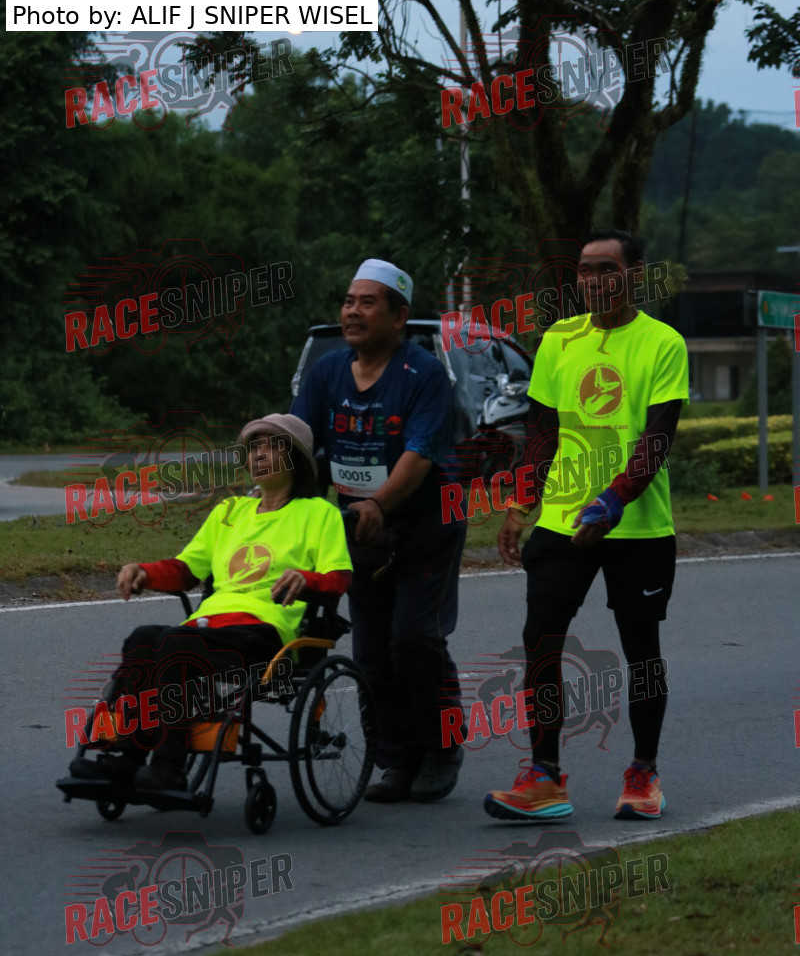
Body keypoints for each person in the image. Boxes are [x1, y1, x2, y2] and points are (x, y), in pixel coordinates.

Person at [484, 229, 688, 823]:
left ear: (635, 275)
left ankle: (643, 773)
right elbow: (541, 433)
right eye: (584, 270)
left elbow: (657, 439)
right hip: (562, 519)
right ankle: (544, 776)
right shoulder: (558, 339)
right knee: (540, 640)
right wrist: (521, 506)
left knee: (640, 650)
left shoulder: (663, 343)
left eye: (606, 269)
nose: (593, 280)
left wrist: (613, 501)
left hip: (637, 525)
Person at [69, 415, 352, 793]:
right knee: (142, 639)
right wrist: (144, 572)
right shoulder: (229, 512)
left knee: (175, 646)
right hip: (211, 627)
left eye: (272, 446)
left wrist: (306, 579)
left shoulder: (319, 514)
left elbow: (338, 579)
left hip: (267, 633)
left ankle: (168, 768)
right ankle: (129, 760)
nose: (259, 454)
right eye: (254, 447)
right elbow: (187, 569)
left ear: (296, 459)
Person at [292, 258, 466, 802]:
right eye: (349, 301)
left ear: (399, 316)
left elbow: (419, 454)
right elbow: (299, 444)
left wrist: (379, 504)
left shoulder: (423, 374)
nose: (353, 311)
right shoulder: (327, 372)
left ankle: (443, 749)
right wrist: (276, 493)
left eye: (368, 302)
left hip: (426, 525)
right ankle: (397, 760)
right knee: (370, 653)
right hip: (359, 531)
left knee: (414, 640)